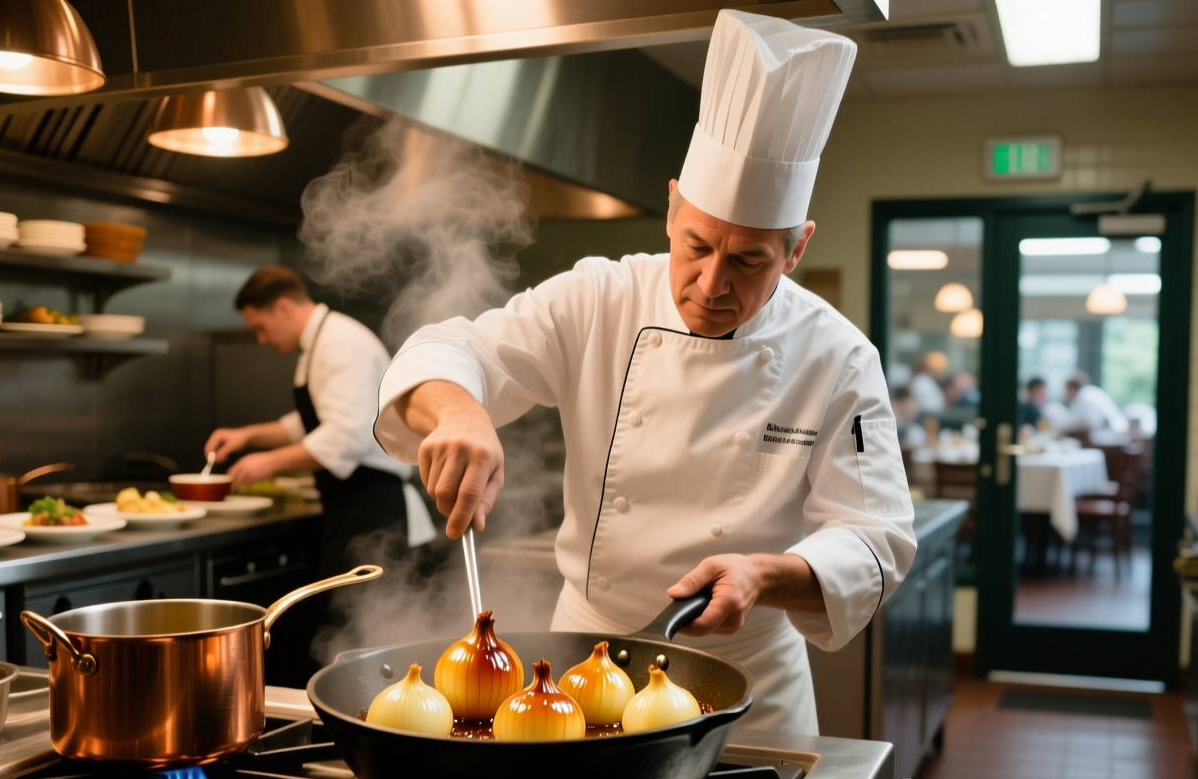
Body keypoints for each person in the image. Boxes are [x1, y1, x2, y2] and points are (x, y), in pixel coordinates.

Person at [373, 11, 915, 735]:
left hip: (750, 686)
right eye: (696, 245)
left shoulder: (840, 357)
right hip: (582, 670)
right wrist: (460, 412)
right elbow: (453, 350)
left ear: (796, 249)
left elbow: (875, 537)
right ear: (670, 208)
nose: (711, 283)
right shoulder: (598, 296)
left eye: (749, 259)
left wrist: (763, 575)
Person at [205, 265, 434, 686]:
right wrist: (249, 436)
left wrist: (267, 462)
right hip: (352, 509)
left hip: (375, 512)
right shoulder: (319, 345)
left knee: (359, 637)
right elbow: (311, 422)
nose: (262, 340)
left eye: (260, 328)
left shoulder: (340, 344)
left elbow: (344, 437)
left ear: (283, 307)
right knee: (343, 636)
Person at [1058, 371, 1129, 437]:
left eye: (1066, 390)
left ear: (1071, 388)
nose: (1064, 394)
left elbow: (1084, 422)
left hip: (1109, 435)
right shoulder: (1091, 392)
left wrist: (1061, 430)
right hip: (1113, 432)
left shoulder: (1084, 396)